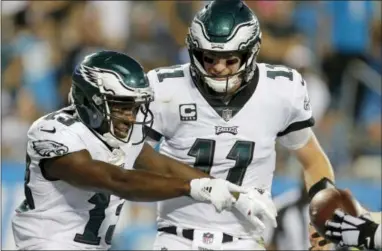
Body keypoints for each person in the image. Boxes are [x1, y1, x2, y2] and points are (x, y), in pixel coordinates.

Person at [11, 50, 260, 250]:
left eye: (134, 107)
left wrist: (230, 191)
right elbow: (116, 180)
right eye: (121, 106)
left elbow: (164, 167)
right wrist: (193, 188)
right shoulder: (53, 132)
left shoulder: (121, 134)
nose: (130, 117)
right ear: (91, 101)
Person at [142, 0, 337, 250]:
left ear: (250, 53)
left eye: (230, 60)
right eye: (209, 58)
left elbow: (313, 160)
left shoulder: (279, 91)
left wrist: (322, 213)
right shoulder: (166, 89)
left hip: (243, 241)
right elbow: (136, 155)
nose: (218, 68)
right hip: (177, 237)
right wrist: (202, 185)